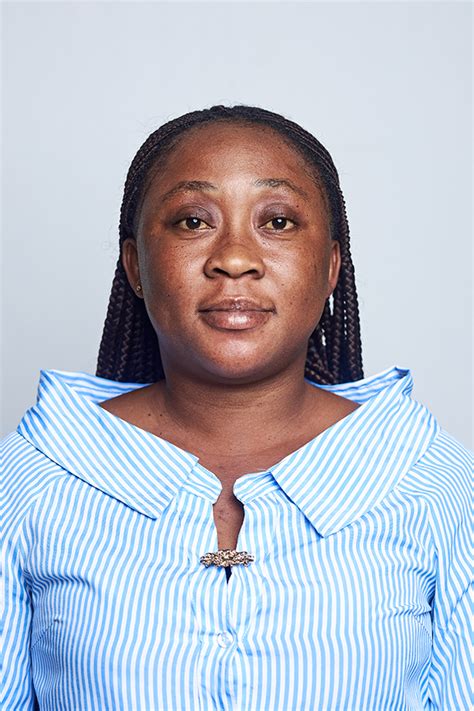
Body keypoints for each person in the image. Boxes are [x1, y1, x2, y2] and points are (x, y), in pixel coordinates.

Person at [2, 105, 471, 711]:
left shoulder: (436, 484)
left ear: (331, 267)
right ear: (136, 266)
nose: (234, 257)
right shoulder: (27, 481)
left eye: (277, 221)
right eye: (193, 221)